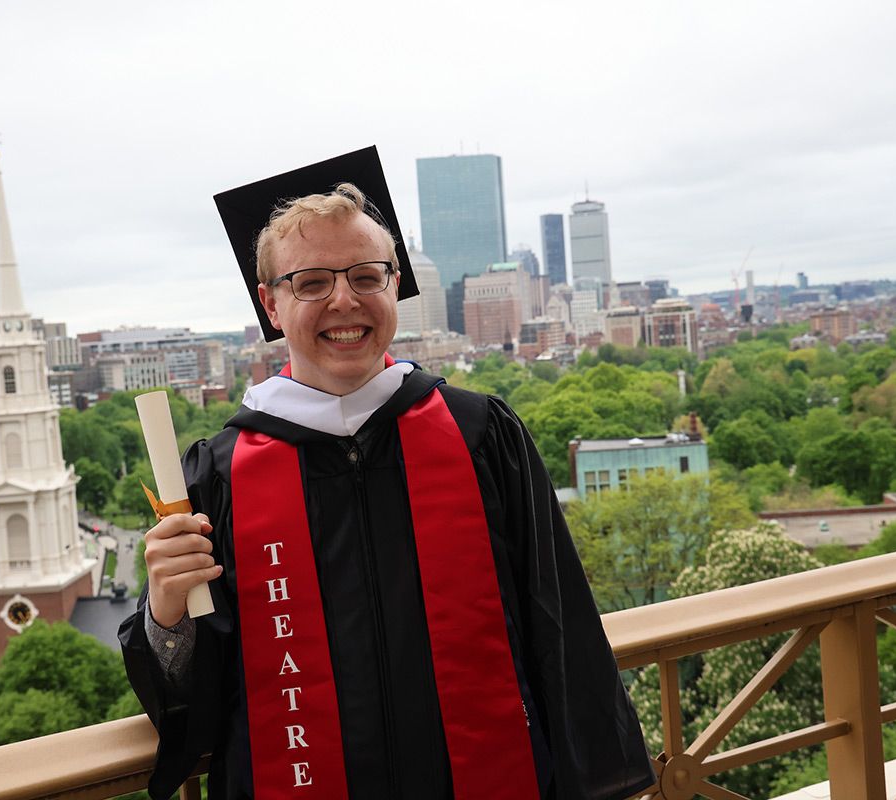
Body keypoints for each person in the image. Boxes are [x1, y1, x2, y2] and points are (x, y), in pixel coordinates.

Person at [119, 147, 655, 800]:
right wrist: (168, 615)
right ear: (271, 305)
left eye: (366, 276)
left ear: (394, 284)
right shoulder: (221, 477)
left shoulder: (481, 434)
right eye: (312, 282)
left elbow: (558, 628)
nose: (344, 300)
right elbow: (191, 697)